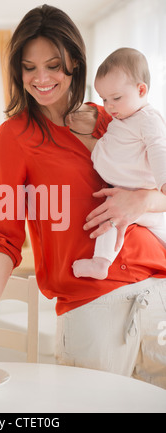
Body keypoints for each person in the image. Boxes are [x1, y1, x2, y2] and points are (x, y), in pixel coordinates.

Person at [0, 5, 166, 389]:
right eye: (29, 67)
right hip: (93, 310)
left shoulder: (114, 116)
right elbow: (3, 234)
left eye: (53, 65)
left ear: (75, 63)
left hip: (159, 295)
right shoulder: (13, 138)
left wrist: (143, 201)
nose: (41, 78)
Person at [73, 48, 166, 280]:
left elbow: (159, 150)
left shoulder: (148, 119)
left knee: (111, 219)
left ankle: (101, 262)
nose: (110, 106)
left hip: (137, 193)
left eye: (116, 98)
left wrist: (164, 182)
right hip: (123, 193)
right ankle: (101, 263)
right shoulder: (124, 115)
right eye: (104, 99)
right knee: (109, 219)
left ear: (141, 89)